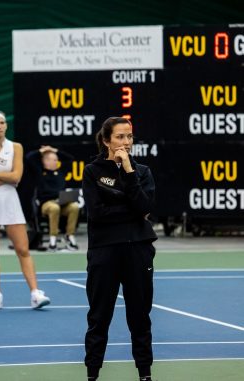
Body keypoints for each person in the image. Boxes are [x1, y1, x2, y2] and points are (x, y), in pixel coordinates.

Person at [83, 117, 157, 381]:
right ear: (106, 140)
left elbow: (144, 206)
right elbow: (97, 213)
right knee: (99, 317)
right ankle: (92, 375)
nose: (126, 142)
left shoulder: (142, 172)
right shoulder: (92, 171)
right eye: (120, 137)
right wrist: (132, 211)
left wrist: (128, 171)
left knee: (140, 317)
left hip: (138, 250)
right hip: (104, 252)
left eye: (130, 137)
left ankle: (145, 375)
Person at [0, 110, 50, 310]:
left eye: (2, 122)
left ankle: (35, 293)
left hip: (10, 200)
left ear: (6, 126)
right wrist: (3, 175)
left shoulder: (16, 147)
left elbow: (16, 177)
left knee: (23, 249)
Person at [25, 145, 79, 251]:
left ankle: (69, 235)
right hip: (46, 204)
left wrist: (55, 150)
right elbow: (28, 158)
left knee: (74, 207)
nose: (56, 162)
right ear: (45, 161)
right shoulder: (39, 171)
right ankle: (52, 240)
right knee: (54, 208)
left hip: (61, 202)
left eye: (57, 159)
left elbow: (70, 159)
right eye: (53, 160)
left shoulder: (60, 172)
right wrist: (41, 151)